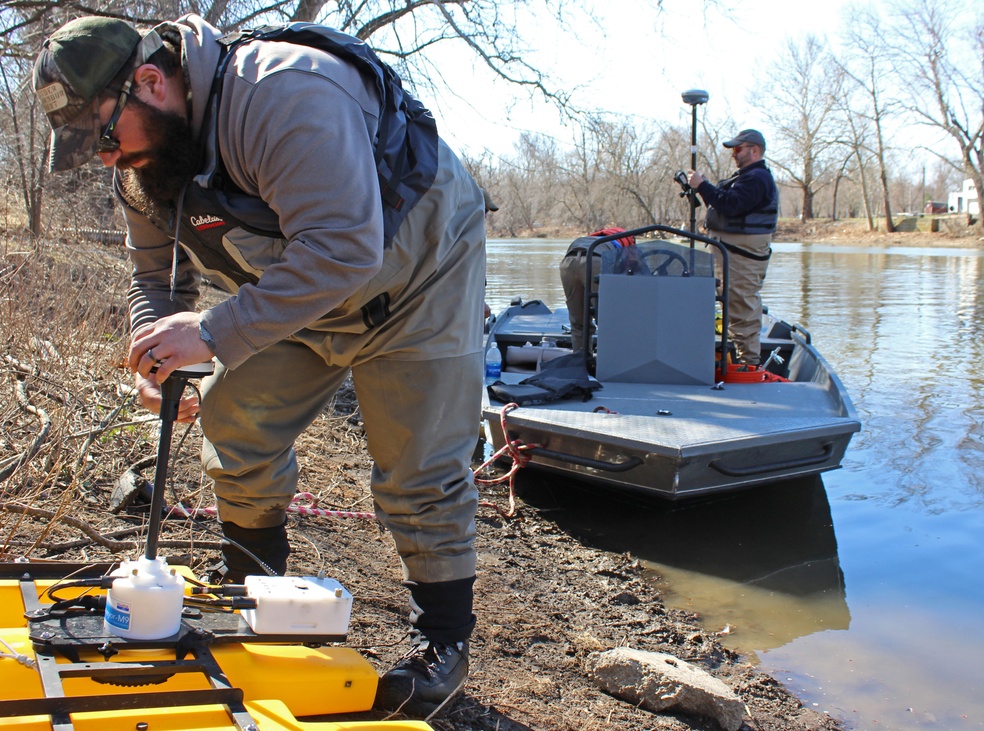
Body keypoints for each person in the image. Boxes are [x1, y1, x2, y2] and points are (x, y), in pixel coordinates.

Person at [33, 15, 485, 715]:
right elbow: (154, 277)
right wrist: (155, 349)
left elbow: (345, 247)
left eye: (101, 137)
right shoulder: (144, 160)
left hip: (418, 278)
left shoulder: (286, 95)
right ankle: (252, 587)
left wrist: (214, 332)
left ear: (150, 83)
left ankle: (443, 644)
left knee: (417, 467)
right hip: (304, 290)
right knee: (233, 418)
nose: (103, 160)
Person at [688, 129, 778, 365]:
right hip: (732, 256)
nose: (734, 155)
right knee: (735, 304)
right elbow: (723, 204)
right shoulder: (746, 178)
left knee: (741, 307)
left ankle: (749, 365)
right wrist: (705, 187)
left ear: (754, 150)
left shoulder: (757, 178)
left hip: (742, 259)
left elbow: (731, 205)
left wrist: (702, 186)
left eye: (738, 149)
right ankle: (741, 361)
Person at [559, 227, 635, 352]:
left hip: (568, 263)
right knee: (608, 319)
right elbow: (635, 270)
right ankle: (611, 361)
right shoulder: (626, 240)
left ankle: (581, 362)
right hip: (597, 260)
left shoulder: (587, 238)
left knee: (578, 322)